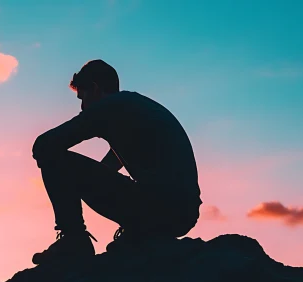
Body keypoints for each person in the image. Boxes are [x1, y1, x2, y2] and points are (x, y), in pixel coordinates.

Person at [31, 59, 202, 265]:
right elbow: (112, 163)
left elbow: (44, 144)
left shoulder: (109, 108)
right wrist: (88, 181)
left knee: (50, 154)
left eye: (82, 97)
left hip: (162, 207)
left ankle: (73, 240)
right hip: (182, 213)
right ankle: (139, 236)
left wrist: (75, 179)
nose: (82, 107)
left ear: (94, 89)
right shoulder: (131, 108)